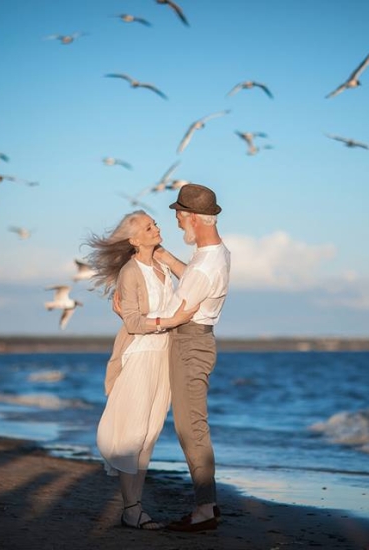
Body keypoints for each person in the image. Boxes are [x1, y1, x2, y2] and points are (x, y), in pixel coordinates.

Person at [86, 210, 196, 530]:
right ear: (134, 240)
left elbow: (194, 281)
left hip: (164, 355)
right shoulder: (130, 273)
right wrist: (172, 321)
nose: (157, 227)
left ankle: (134, 508)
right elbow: (133, 323)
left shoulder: (161, 264)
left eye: (155, 223)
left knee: (149, 434)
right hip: (140, 355)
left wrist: (164, 253)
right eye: (149, 227)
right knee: (133, 433)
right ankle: (131, 508)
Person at [154, 184, 231, 532]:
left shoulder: (203, 266)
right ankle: (208, 504)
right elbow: (195, 284)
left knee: (191, 428)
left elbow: (181, 312)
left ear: (196, 219)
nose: (177, 223)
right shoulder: (215, 252)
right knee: (193, 426)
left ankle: (203, 509)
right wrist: (169, 260)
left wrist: (145, 320)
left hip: (189, 344)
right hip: (197, 341)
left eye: (179, 217)